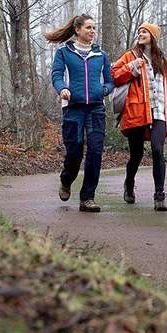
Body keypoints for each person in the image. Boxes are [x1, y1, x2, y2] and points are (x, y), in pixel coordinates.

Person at [46, 14, 113, 212]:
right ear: (77, 30)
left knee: (95, 152)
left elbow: (110, 81)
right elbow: (56, 75)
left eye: (94, 28)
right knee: (74, 152)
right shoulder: (64, 53)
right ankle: (66, 180)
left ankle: (87, 198)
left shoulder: (101, 55)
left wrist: (103, 91)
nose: (92, 31)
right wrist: (62, 89)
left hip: (95, 109)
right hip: (73, 108)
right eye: (89, 28)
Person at [111, 23, 167, 212]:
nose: (140, 34)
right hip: (137, 112)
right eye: (139, 31)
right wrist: (130, 68)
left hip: (159, 113)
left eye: (144, 31)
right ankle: (129, 183)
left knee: (158, 150)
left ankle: (159, 195)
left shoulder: (165, 62)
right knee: (136, 155)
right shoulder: (130, 56)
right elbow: (113, 76)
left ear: (153, 36)